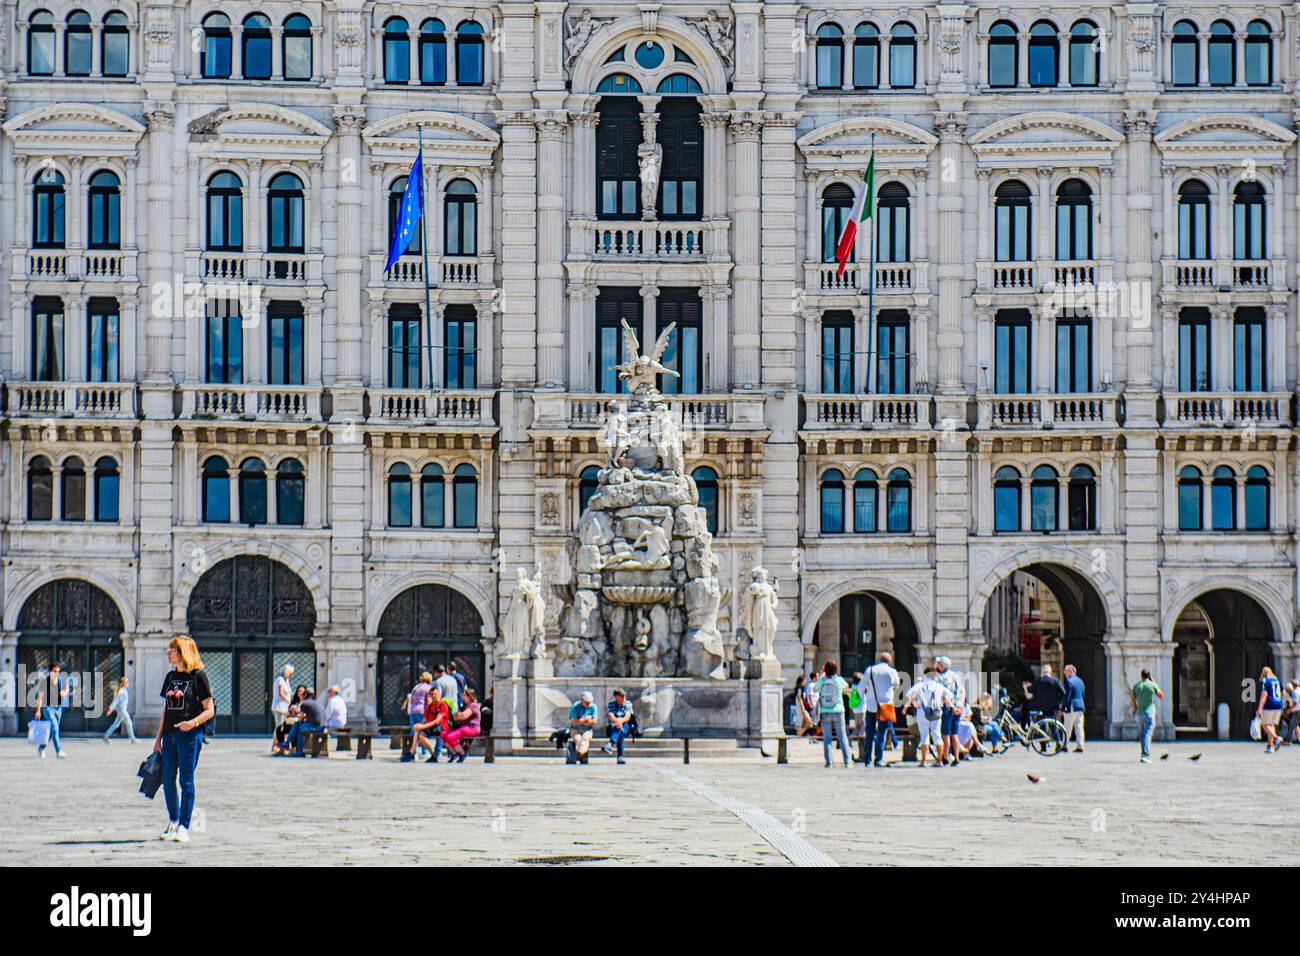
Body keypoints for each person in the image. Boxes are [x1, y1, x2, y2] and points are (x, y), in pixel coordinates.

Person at [153, 637, 214, 843]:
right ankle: (173, 820)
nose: (168, 652)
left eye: (172, 649)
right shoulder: (170, 677)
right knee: (167, 780)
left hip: (189, 736)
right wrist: (158, 738)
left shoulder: (198, 676)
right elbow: (166, 709)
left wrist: (193, 723)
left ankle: (184, 826)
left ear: (183, 652)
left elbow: (209, 710)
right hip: (170, 735)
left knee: (186, 781)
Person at [855, 651, 900, 768]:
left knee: (869, 733)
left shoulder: (870, 670)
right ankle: (879, 759)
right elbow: (896, 685)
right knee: (882, 733)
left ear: (879, 659)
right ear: (889, 661)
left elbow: (861, 688)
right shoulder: (892, 671)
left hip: (871, 706)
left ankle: (867, 759)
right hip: (886, 706)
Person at [905, 666, 954, 767]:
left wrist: (914, 703)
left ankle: (923, 761)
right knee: (937, 735)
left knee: (924, 736)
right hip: (936, 712)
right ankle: (940, 761)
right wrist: (941, 702)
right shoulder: (939, 686)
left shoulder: (920, 685)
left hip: (922, 711)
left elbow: (908, 694)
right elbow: (950, 696)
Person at [815, 660, 851, 768]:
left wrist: (822, 675)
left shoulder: (821, 680)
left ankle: (829, 762)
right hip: (838, 710)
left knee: (827, 738)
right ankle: (847, 761)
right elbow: (846, 687)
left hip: (825, 711)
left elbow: (814, 688)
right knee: (842, 736)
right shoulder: (839, 680)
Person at [33, 662, 70, 759]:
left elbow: (67, 688)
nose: (57, 673)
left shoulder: (61, 680)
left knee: (52, 731)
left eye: (58, 671)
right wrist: (38, 710)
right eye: (54, 671)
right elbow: (40, 698)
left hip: (58, 709)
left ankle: (41, 748)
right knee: (55, 729)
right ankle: (59, 751)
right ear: (50, 671)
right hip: (48, 708)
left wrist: (64, 692)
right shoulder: (44, 682)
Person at [934, 656, 966, 766]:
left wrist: (952, 707)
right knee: (954, 734)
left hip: (948, 709)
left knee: (945, 734)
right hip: (958, 708)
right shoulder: (956, 675)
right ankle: (956, 758)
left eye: (938, 663)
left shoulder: (940, 678)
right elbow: (962, 691)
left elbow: (944, 696)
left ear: (941, 665)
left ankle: (945, 757)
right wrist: (960, 706)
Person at [407, 686, 450, 763]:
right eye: (431, 694)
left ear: (439, 695)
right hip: (431, 727)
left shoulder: (443, 705)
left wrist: (422, 726)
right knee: (419, 733)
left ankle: (411, 752)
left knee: (419, 729)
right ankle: (432, 755)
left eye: (435, 694)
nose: (433, 696)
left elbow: (437, 721)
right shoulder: (429, 706)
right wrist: (419, 725)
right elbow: (424, 720)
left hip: (441, 727)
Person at [1130, 668, 1163, 763]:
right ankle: (1146, 755)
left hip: (1139, 713)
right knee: (1147, 734)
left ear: (1141, 676)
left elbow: (1132, 699)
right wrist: (1154, 682)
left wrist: (1135, 708)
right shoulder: (1152, 685)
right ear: (1149, 676)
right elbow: (1161, 695)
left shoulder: (1137, 686)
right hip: (1150, 712)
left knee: (1142, 734)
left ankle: (1144, 754)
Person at [442, 688, 481, 762]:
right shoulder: (464, 705)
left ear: (469, 696)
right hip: (464, 727)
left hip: (472, 728)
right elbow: (456, 717)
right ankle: (454, 753)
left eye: (464, 695)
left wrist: (458, 715)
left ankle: (462, 753)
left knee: (450, 737)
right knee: (443, 734)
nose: (463, 697)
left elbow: (463, 716)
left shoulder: (473, 705)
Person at [284, 689, 326, 756]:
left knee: (299, 727)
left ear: (306, 694)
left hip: (316, 727)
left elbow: (300, 718)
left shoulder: (305, 703)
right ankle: (290, 742)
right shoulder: (318, 702)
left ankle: (299, 749)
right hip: (323, 726)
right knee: (299, 726)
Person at [404, 672, 434, 759]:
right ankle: (424, 751)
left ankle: (413, 752)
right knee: (422, 732)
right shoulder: (428, 688)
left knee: (414, 732)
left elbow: (412, 700)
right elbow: (428, 702)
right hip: (422, 711)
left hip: (413, 711)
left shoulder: (416, 687)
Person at [1257, 666, 1285, 754]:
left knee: (1265, 724)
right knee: (1271, 725)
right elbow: (1283, 693)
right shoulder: (1277, 680)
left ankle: (1276, 738)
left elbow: (1264, 694)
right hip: (1278, 704)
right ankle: (1270, 746)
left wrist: (1259, 708)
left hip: (1269, 704)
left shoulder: (1266, 681)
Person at [602, 688, 634, 764]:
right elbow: (610, 715)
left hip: (625, 726)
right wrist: (617, 722)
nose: (624, 698)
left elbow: (628, 716)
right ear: (616, 697)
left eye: (624, 696)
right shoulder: (611, 704)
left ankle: (610, 744)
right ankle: (620, 756)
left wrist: (620, 722)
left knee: (621, 728)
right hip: (612, 727)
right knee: (620, 731)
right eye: (622, 696)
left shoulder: (628, 703)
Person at [102, 676, 137, 743]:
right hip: (122, 710)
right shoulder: (122, 691)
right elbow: (116, 700)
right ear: (124, 683)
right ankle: (133, 739)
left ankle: (105, 736)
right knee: (129, 722)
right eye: (127, 682)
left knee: (116, 724)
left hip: (121, 710)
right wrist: (110, 709)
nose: (128, 683)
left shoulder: (123, 690)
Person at [1060, 664, 1086, 753]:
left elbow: (1067, 696)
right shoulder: (1080, 681)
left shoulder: (1068, 681)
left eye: (1065, 670)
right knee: (1079, 726)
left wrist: (1063, 708)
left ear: (1070, 671)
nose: (1064, 672)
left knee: (1067, 726)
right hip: (1080, 705)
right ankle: (1080, 745)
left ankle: (1065, 745)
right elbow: (1083, 694)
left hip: (1071, 706)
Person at [567, 691, 597, 765]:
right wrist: (586, 719)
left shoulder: (593, 707)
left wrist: (580, 720)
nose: (588, 704)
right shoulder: (575, 706)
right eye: (586, 702)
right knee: (578, 738)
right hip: (575, 729)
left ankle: (579, 754)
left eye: (589, 702)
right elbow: (573, 721)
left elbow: (594, 722)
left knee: (585, 738)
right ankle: (581, 754)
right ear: (581, 700)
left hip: (587, 729)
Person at [271, 664, 294, 747]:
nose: (291, 675)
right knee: (279, 725)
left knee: (282, 725)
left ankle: (279, 742)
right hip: (279, 707)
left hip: (284, 708)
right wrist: (289, 701)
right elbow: (281, 693)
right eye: (290, 673)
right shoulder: (280, 679)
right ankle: (275, 744)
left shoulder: (286, 681)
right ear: (286, 672)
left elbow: (289, 693)